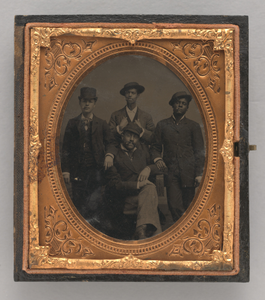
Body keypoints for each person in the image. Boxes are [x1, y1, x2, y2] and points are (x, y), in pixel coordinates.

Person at [61, 87, 117, 219]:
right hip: (77, 170)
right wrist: (66, 170)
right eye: (84, 101)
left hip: (96, 170)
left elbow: (112, 143)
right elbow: (66, 149)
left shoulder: (102, 124)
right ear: (80, 102)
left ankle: (93, 232)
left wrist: (109, 155)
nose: (87, 104)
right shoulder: (72, 123)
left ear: (94, 104)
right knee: (78, 203)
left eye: (90, 101)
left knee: (95, 202)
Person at [150, 91, 205, 222]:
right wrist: (158, 158)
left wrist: (198, 173)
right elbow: (155, 147)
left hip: (189, 173)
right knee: (174, 205)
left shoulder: (193, 126)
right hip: (171, 172)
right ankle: (180, 232)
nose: (180, 106)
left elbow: (199, 151)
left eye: (183, 104)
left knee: (190, 206)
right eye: (177, 103)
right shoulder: (162, 125)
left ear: (187, 107)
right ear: (172, 105)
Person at [104, 123, 162, 240]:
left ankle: (141, 229)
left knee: (150, 189)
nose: (131, 139)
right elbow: (115, 185)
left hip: (140, 197)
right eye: (128, 135)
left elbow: (162, 168)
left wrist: (148, 168)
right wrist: (139, 184)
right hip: (122, 199)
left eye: (135, 137)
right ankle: (153, 236)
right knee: (150, 190)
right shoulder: (113, 155)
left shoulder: (142, 152)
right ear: (122, 136)